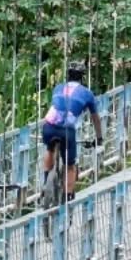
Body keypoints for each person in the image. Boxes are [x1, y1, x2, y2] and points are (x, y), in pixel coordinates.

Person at [41, 64, 102, 201]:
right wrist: (99, 138)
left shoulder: (58, 87)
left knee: (50, 149)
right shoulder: (87, 93)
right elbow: (96, 119)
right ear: (82, 78)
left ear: (67, 75)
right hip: (67, 131)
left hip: (49, 126)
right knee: (70, 164)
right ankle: (68, 196)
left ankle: (46, 181)